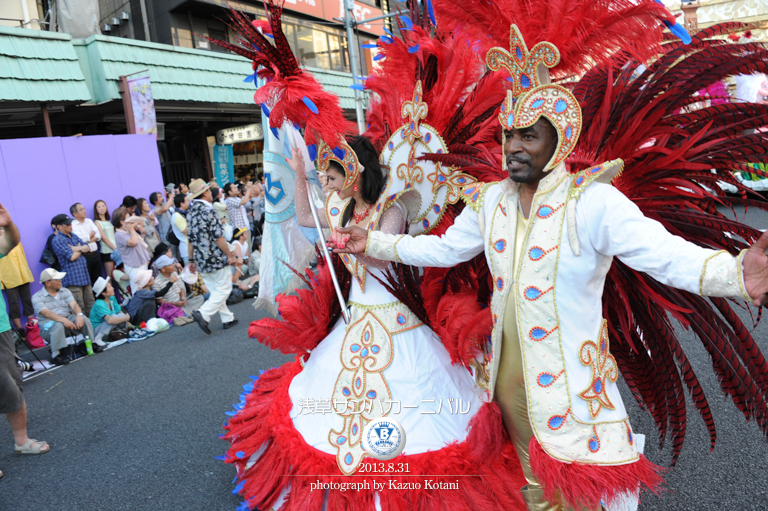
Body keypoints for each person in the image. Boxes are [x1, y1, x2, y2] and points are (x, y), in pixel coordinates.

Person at [0, 202, 50, 475]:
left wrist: (7, 222)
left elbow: (9, 244)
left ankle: (21, 441)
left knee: (11, 384)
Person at [186, 179, 239, 333]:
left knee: (216, 289)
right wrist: (229, 255)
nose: (211, 193)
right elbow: (218, 237)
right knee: (224, 289)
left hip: (200, 258)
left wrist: (191, 260)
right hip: (215, 256)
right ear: (205, 193)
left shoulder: (191, 212)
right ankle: (203, 313)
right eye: (209, 190)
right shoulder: (209, 211)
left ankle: (227, 317)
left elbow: (191, 239)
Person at [32, 268, 99, 365]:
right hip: (49, 327)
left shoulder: (65, 291)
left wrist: (79, 315)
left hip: (68, 319)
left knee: (83, 318)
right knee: (58, 324)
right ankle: (56, 355)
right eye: (57, 279)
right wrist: (63, 320)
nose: (60, 281)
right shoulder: (37, 297)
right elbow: (47, 313)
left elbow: (74, 305)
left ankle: (90, 343)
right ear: (48, 283)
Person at [50, 214, 95, 316]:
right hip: (73, 280)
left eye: (70, 223)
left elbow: (87, 247)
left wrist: (77, 248)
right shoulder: (57, 240)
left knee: (90, 304)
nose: (70, 226)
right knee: (78, 307)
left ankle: (93, 329)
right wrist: (80, 248)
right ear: (59, 227)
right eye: (67, 224)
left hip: (85, 277)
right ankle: (82, 331)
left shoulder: (74, 235)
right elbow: (72, 257)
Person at [113, 208, 152, 294]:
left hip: (140, 263)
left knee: (145, 286)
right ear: (122, 222)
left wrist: (141, 235)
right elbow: (133, 242)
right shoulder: (119, 234)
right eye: (128, 219)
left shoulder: (127, 232)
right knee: (137, 289)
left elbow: (137, 245)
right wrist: (132, 229)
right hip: (133, 265)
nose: (131, 221)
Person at [0, 242, 34, 337]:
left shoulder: (15, 240)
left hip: (22, 273)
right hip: (8, 277)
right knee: (13, 303)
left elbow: (22, 256)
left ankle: (32, 326)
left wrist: (26, 270)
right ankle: (20, 330)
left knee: (27, 300)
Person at [153, 254, 201, 318]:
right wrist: (175, 304)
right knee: (183, 314)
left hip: (181, 303)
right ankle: (190, 312)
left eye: (172, 263)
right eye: (170, 265)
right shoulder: (156, 282)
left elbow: (181, 289)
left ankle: (189, 312)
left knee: (201, 298)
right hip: (171, 307)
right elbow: (159, 301)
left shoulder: (174, 274)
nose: (173, 265)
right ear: (163, 269)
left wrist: (183, 297)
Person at [70, 202, 103, 285]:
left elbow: (98, 235)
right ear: (75, 214)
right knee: (88, 280)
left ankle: (100, 298)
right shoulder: (73, 225)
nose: (85, 211)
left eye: (84, 209)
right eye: (81, 210)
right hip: (84, 256)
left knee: (98, 279)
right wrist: (91, 235)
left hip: (95, 254)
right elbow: (80, 240)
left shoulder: (89, 221)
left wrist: (89, 238)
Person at [89, 277, 130, 342]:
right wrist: (126, 318)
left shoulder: (112, 298)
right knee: (114, 317)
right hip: (97, 330)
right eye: (110, 287)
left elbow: (120, 312)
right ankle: (98, 339)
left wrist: (130, 327)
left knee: (121, 315)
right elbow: (109, 320)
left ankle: (123, 332)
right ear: (103, 293)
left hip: (107, 327)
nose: (112, 288)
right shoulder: (99, 304)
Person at [93, 200, 116, 282]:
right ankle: (110, 294)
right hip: (107, 251)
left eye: (103, 206)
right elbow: (104, 238)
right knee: (109, 276)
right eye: (99, 207)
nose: (102, 208)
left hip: (115, 249)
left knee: (118, 274)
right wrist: (115, 248)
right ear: (96, 210)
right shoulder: (96, 222)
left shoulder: (109, 221)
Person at [171, 194, 190, 265]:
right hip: (187, 249)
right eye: (187, 201)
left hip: (190, 248)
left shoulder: (184, 213)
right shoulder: (177, 216)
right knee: (191, 274)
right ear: (182, 204)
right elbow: (186, 231)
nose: (189, 202)